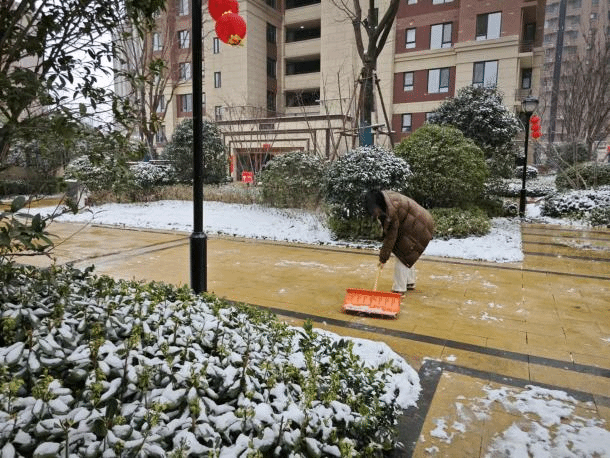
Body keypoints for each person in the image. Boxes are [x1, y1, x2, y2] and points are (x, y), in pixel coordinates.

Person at [364, 190, 434, 295]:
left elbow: (391, 236)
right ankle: (409, 282)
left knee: (402, 254)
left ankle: (399, 288)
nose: (374, 214)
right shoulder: (387, 202)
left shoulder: (391, 210)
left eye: (374, 210)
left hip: (420, 225)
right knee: (407, 253)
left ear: (378, 204)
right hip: (419, 221)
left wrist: (383, 257)